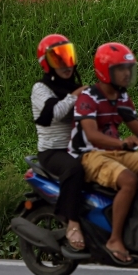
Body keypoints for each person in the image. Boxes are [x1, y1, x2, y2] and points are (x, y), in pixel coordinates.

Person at [69, 42, 138, 265]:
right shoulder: (88, 98)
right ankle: (114, 240)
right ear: (105, 71)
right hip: (88, 155)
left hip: (114, 151)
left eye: (128, 69)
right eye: (120, 69)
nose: (126, 74)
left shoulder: (122, 97)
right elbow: (93, 136)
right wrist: (122, 143)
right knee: (128, 180)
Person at [31, 34, 88, 251]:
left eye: (68, 56)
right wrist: (76, 96)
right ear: (47, 64)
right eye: (58, 59)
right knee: (74, 169)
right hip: (53, 152)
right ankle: (72, 223)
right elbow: (53, 113)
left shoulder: (74, 86)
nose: (66, 64)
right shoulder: (40, 89)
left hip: (77, 147)